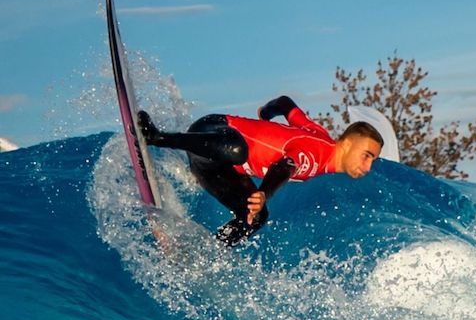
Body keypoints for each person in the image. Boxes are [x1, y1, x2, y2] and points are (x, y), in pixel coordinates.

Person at [138, 95, 383, 245]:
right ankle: (158, 137)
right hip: (214, 130)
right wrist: (264, 191)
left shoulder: (317, 133)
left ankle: (204, 253)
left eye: (372, 160)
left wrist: (267, 112)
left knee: (256, 217)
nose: (368, 166)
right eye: (366, 156)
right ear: (348, 143)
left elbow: (286, 104)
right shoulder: (317, 157)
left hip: (214, 167)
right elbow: (285, 166)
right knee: (238, 151)